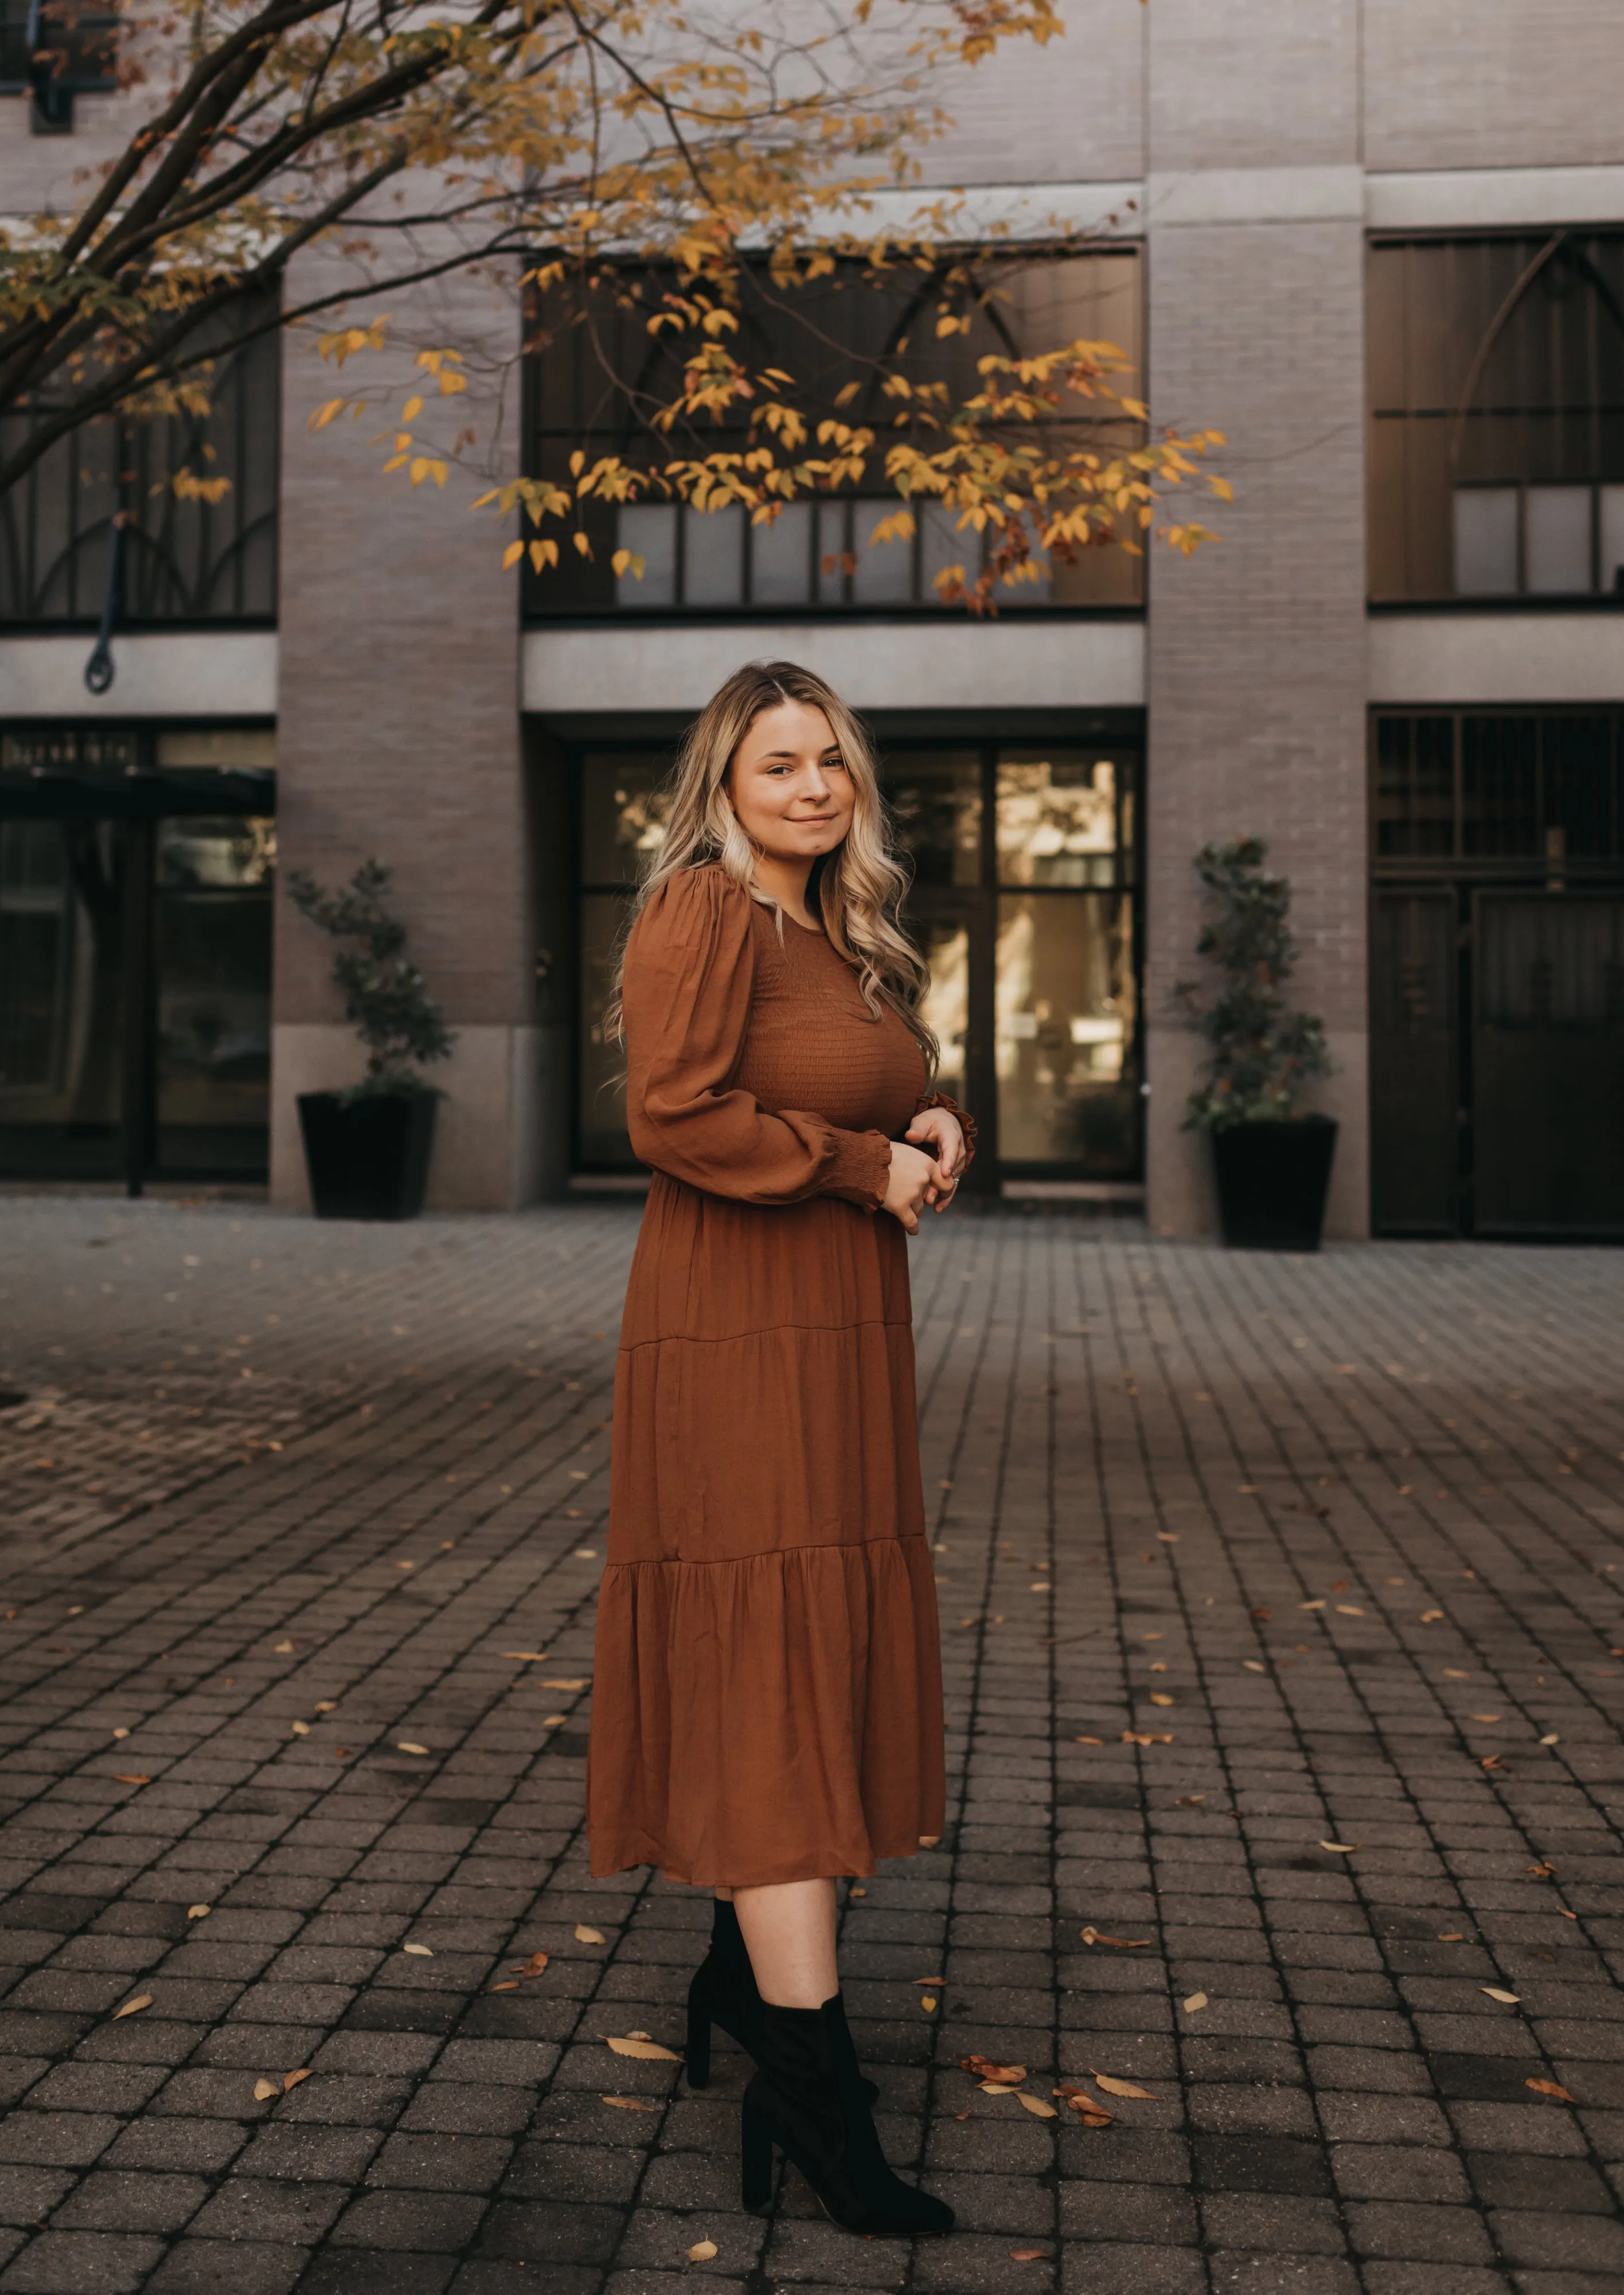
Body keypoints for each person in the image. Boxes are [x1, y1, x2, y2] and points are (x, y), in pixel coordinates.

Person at [586, 657, 974, 2235]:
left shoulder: (841, 934)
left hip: (837, 1335)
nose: (815, 786)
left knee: (815, 1642)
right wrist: (855, 1162)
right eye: (780, 764)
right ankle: (811, 2095)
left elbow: (872, 1081)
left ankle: (744, 1979)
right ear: (722, 783)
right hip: (736, 1332)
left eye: (833, 762)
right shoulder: (702, 910)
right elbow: (674, 1114)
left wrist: (935, 1117)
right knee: (774, 1668)